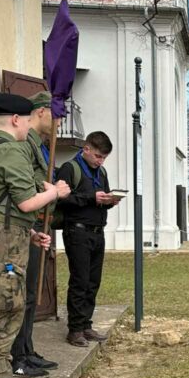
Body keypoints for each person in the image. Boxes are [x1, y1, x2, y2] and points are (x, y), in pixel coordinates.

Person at [0, 93, 70, 378]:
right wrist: (54, 192)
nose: (30, 125)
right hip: (3, 244)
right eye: (28, 120)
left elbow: (5, 204)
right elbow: (26, 201)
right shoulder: (10, 151)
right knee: (5, 310)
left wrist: (29, 234)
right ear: (16, 119)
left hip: (7, 238)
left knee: (6, 307)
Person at [9, 91, 60, 378]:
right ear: (41, 111)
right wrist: (54, 192)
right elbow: (27, 186)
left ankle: (27, 349)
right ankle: (18, 356)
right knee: (23, 295)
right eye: (56, 115)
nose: (59, 123)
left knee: (31, 293)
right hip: (27, 225)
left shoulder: (40, 144)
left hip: (38, 224)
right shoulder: (24, 143)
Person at [56, 131, 119, 347]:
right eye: (98, 156)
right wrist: (91, 197)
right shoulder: (70, 168)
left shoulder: (101, 172)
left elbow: (101, 199)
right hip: (77, 231)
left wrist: (109, 201)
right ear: (86, 149)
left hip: (97, 232)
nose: (100, 161)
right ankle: (74, 330)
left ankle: (86, 324)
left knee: (93, 282)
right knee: (80, 281)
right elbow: (61, 199)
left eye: (104, 158)